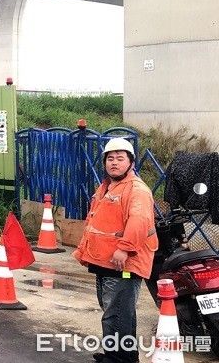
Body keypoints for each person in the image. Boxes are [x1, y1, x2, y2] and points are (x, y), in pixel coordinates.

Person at [73, 137, 158, 363]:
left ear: (131, 163)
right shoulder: (105, 188)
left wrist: (124, 249)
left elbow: (139, 221)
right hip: (105, 261)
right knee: (116, 310)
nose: (114, 163)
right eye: (110, 158)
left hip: (124, 262)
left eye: (120, 158)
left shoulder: (136, 190)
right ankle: (123, 356)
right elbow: (95, 222)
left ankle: (118, 359)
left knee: (116, 313)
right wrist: (84, 251)